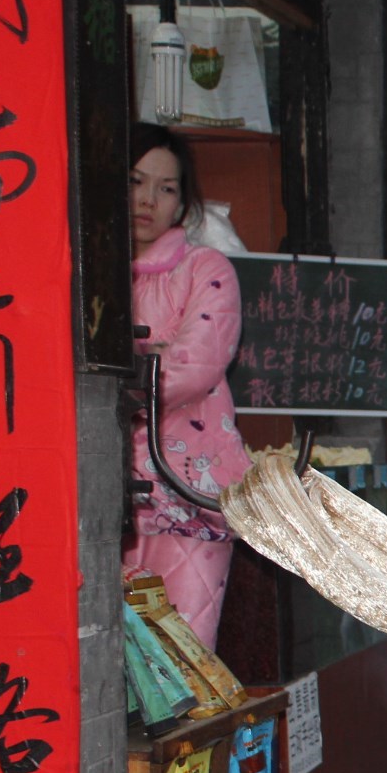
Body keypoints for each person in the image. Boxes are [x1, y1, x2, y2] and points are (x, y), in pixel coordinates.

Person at [125, 122, 250, 649]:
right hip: (106, 494)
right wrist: (148, 356)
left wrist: (115, 380)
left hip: (188, 499)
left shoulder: (207, 268)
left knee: (183, 665)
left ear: (182, 205)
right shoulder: (81, 275)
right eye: (134, 181)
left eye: (166, 188)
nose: (147, 199)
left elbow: (192, 366)